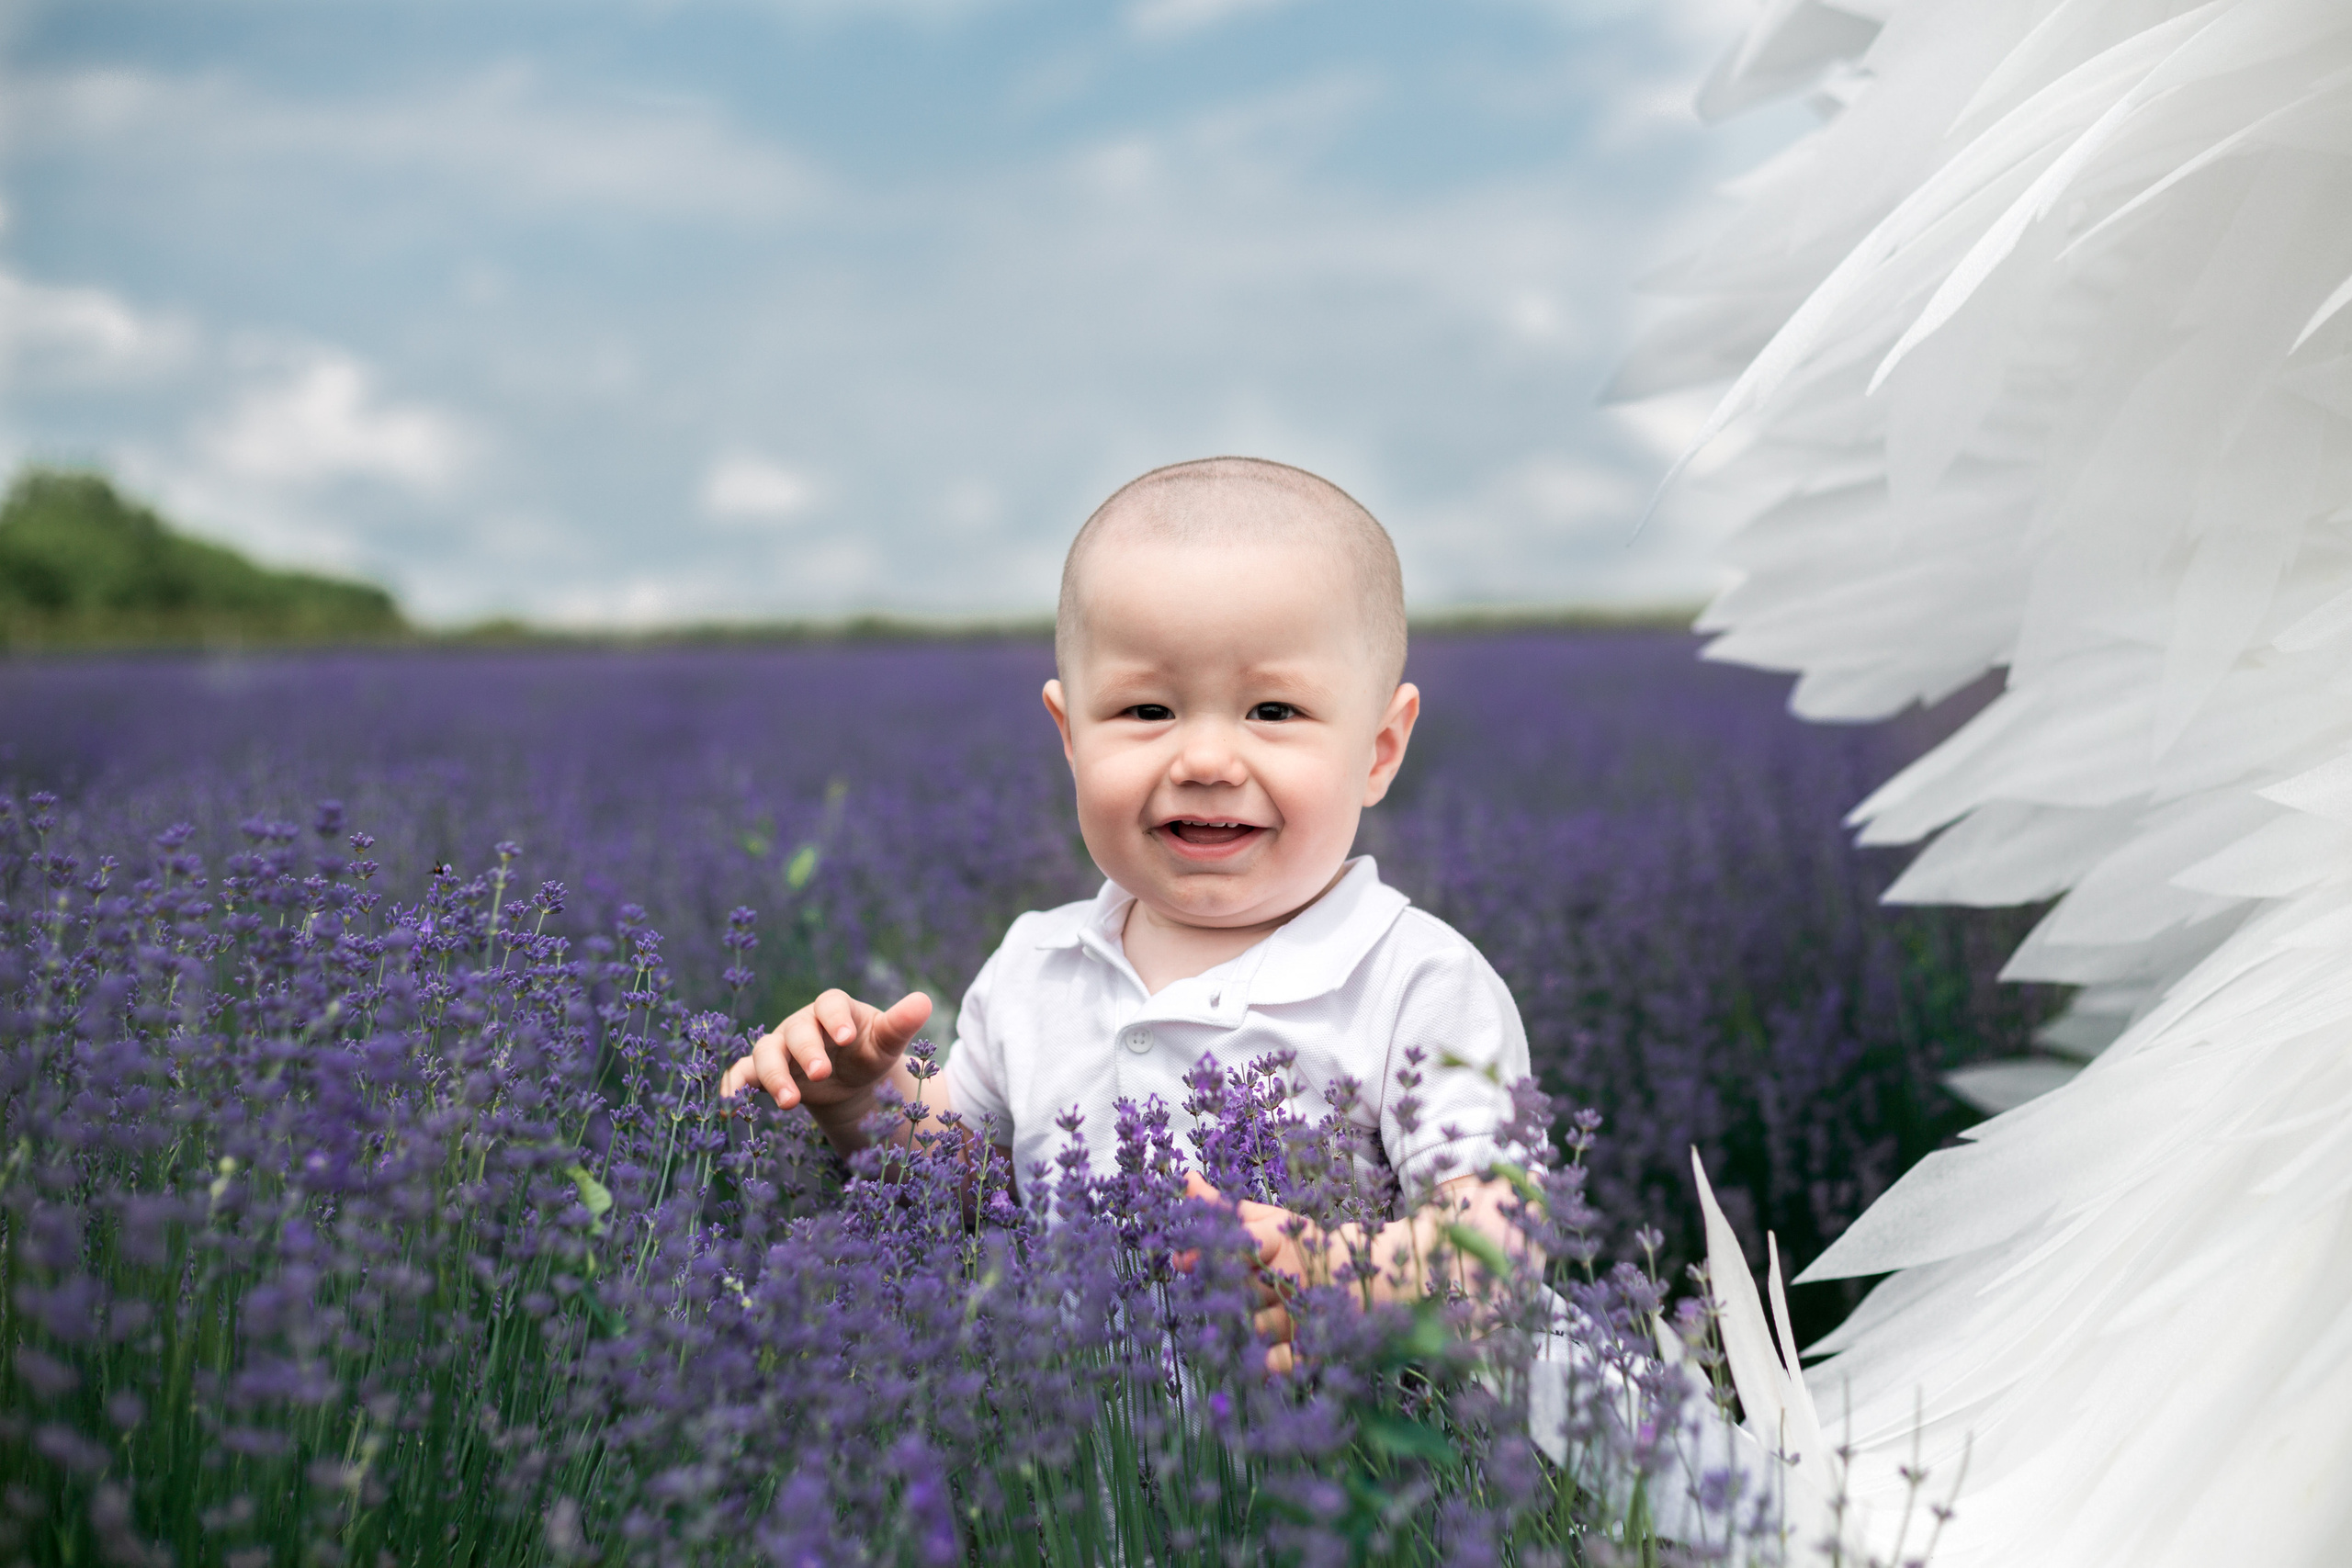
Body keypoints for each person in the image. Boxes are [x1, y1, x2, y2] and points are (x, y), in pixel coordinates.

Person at [720, 456, 1534, 1371]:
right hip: (1087, 1492)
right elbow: (972, 1187)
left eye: (1272, 709)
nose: (1207, 758)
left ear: (1379, 750)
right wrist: (862, 1100)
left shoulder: (1415, 981)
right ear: (1070, 739)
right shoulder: (1038, 965)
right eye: (1148, 709)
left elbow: (1500, 1237)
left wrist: (1354, 1274)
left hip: (1349, 1484)